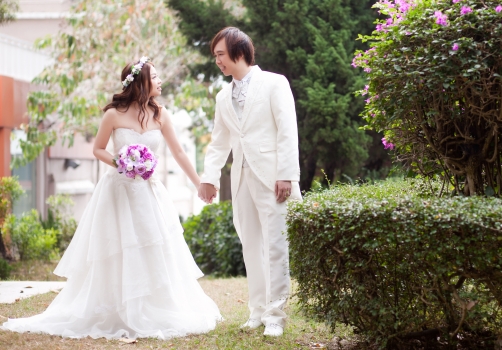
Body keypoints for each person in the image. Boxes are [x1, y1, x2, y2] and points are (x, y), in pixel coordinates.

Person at [2, 58, 222, 339]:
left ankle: (153, 303)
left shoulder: (161, 114)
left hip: (149, 192)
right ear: (140, 82)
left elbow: (179, 153)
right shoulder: (113, 114)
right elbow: (98, 149)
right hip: (118, 192)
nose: (160, 81)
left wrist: (199, 183)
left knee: (152, 245)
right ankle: (117, 306)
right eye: (155, 76)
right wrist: (123, 162)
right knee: (119, 247)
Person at [198, 27, 301, 337]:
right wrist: (209, 178)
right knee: (250, 246)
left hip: (273, 178)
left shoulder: (274, 83)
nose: (217, 61)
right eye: (215, 56)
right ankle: (257, 310)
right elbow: (219, 142)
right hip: (241, 177)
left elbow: (287, 130)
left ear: (239, 53)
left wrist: (286, 175)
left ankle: (275, 315)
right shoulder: (222, 96)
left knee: (275, 245)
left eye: (220, 55)